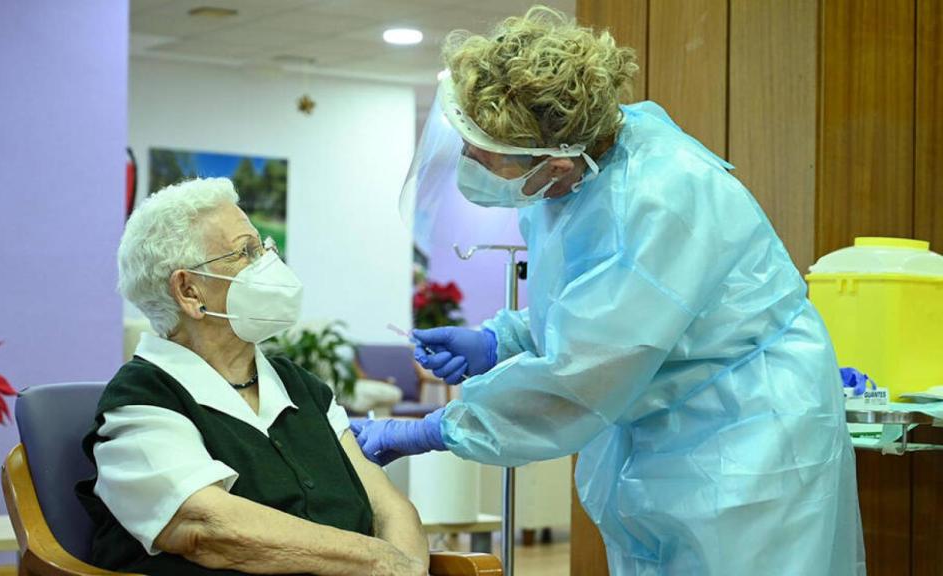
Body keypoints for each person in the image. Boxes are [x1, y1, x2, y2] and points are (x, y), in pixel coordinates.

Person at [351, 7, 865, 575]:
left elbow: (583, 371)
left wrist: (431, 429)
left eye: (481, 147)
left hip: (749, 445)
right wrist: (503, 339)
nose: (468, 160)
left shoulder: (663, 195)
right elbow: (591, 309)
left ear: (553, 158)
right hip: (669, 434)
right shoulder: (566, 188)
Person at [76, 178, 427, 576]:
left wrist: (406, 567)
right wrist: (376, 560)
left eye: (263, 247)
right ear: (190, 291)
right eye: (246, 252)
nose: (268, 263)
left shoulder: (301, 388)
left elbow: (388, 505)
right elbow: (208, 527)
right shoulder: (142, 400)